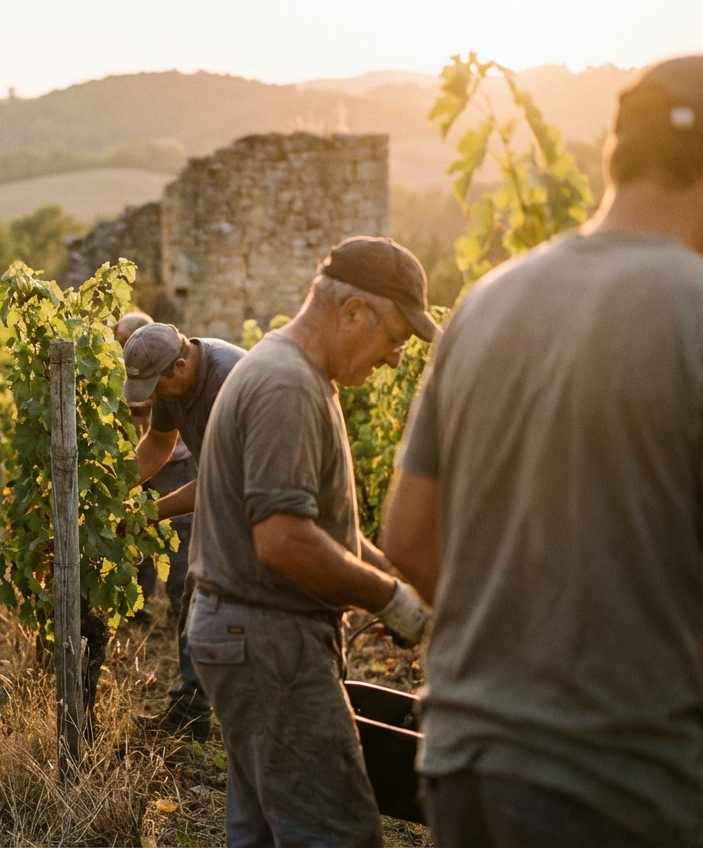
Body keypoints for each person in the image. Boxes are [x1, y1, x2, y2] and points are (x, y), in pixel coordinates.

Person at [381, 56, 703, 847]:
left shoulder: (487, 304)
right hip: (623, 780)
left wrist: (523, 653)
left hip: (467, 763)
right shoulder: (692, 311)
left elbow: (408, 537)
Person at [188, 236, 437, 846]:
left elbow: (335, 538)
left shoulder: (290, 372)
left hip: (250, 637)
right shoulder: (286, 388)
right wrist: (390, 601)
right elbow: (285, 541)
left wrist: (416, 591)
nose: (395, 361)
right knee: (334, 830)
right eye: (397, 340)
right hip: (268, 642)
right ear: (354, 312)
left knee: (266, 831)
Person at [121, 319, 246, 741]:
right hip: (227, 502)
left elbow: (218, 477)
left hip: (259, 508)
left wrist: (147, 515)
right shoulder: (172, 380)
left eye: (157, 386)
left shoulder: (226, 381)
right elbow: (158, 442)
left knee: (222, 606)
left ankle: (233, 718)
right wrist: (109, 491)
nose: (153, 397)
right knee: (198, 597)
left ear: (179, 365)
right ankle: (190, 709)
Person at [114, 311, 197, 631]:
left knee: (180, 532)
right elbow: (155, 440)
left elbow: (222, 479)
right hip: (152, 458)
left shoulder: (168, 365)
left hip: (180, 462)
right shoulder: (154, 366)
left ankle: (183, 609)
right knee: (139, 529)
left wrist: (118, 402)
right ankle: (139, 605)